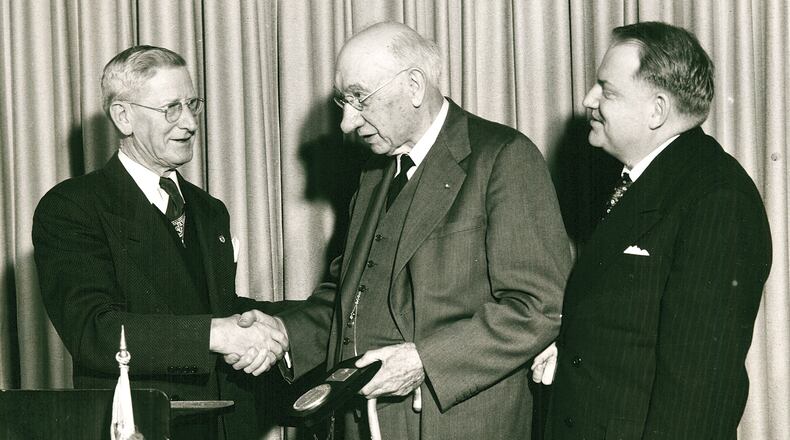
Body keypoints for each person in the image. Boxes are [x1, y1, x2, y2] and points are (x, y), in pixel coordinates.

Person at [232, 21, 572, 439]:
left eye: (360, 99)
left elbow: (538, 307)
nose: (346, 123)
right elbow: (351, 296)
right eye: (343, 101)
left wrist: (424, 360)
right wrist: (285, 332)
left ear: (414, 86)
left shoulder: (503, 158)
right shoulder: (375, 173)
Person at [32, 45, 289, 440]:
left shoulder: (210, 210)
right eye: (171, 108)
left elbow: (211, 307)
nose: (189, 122)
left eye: (192, 104)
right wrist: (217, 334)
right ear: (123, 116)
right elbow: (94, 331)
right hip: (145, 426)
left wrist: (275, 326)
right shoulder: (72, 207)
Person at [531, 21, 772, 439]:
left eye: (607, 90)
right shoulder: (644, 181)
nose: (588, 100)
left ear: (656, 111)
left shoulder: (718, 199)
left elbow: (699, 394)